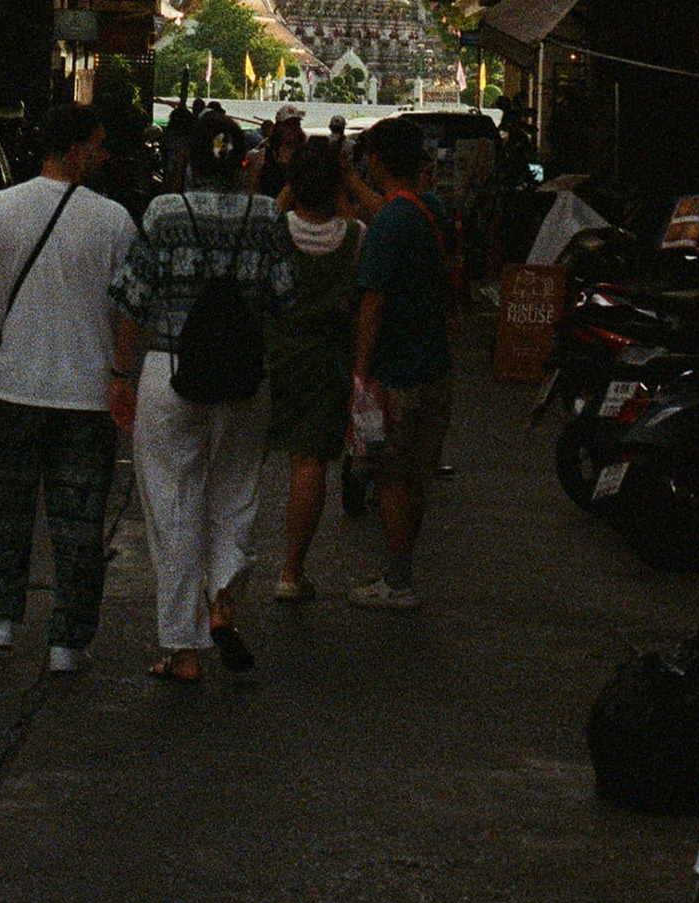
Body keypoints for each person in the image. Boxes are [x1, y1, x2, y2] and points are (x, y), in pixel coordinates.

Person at [0, 104, 136, 676]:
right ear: (74, 149)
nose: (102, 154)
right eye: (96, 144)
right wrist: (121, 376)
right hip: (86, 397)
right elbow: (130, 308)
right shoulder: (115, 220)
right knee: (79, 523)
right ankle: (69, 640)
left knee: (1, 509)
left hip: (14, 390)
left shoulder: (2, 208)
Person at [109, 125, 296, 682]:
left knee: (172, 504)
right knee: (236, 494)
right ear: (243, 164)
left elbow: (133, 300)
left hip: (171, 373)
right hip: (244, 377)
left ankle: (182, 649)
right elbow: (286, 297)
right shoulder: (265, 215)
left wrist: (120, 374)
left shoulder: (165, 213)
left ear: (189, 162)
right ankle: (222, 599)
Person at [348, 117, 454, 612]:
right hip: (435, 364)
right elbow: (389, 209)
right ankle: (401, 568)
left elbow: (372, 304)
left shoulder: (389, 225)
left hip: (397, 369)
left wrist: (360, 373)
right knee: (414, 476)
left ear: (376, 161)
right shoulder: (430, 209)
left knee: (391, 476)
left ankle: (398, 578)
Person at [264, 140, 364, 600]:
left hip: (273, 358)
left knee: (243, 464)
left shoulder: (273, 230)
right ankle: (291, 571)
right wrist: (344, 183)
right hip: (327, 364)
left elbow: (270, 214)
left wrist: (289, 186)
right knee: (310, 464)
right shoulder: (356, 237)